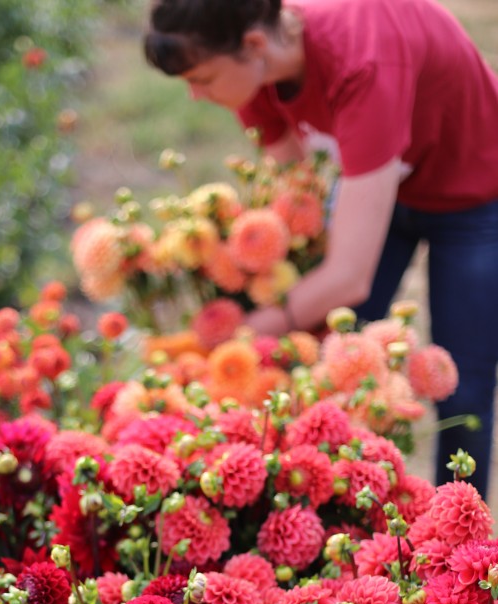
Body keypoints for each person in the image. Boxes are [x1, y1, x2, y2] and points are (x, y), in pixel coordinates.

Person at [143, 0, 498, 499]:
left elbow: (347, 275)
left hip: (476, 192)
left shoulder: (363, 62)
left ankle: (459, 551)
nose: (196, 95)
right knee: (329, 366)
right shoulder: (259, 71)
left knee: (463, 390)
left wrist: (241, 334)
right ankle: (345, 531)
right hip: (381, 182)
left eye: (201, 78)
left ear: (254, 45)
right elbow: (298, 192)